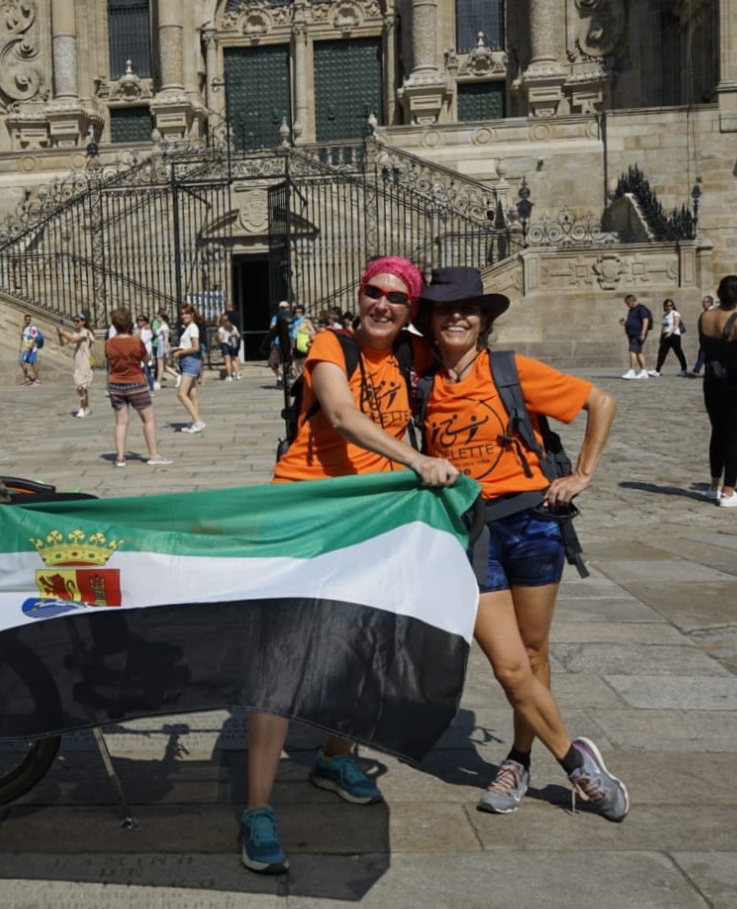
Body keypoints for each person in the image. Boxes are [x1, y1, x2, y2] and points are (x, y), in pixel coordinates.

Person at [242, 256, 461, 875]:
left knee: (360, 644)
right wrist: (415, 460)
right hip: (302, 510)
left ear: (411, 309)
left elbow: (464, 368)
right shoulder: (331, 345)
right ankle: (257, 809)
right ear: (359, 294)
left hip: (369, 519)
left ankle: (334, 757)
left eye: (397, 297)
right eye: (374, 292)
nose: (382, 304)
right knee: (281, 660)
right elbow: (339, 414)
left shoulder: (413, 356)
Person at [419, 266, 629, 823]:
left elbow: (601, 402)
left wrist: (581, 474)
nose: (458, 316)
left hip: (534, 523)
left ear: (484, 320)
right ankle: (577, 762)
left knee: (534, 655)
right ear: (431, 323)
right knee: (509, 666)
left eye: (467, 308)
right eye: (445, 309)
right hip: (473, 532)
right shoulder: (422, 382)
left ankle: (517, 758)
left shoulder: (513, 371)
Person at [698, 274, 737, 507]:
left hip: (712, 380)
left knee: (718, 432)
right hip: (735, 380)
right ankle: (729, 490)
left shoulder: (705, 316)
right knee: (736, 434)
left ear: (718, 292)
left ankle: (714, 485)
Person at [103, 307, 170, 467]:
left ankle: (120, 457)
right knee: (148, 419)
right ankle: (153, 454)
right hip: (135, 382)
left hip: (115, 383)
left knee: (121, 422)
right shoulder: (135, 341)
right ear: (129, 323)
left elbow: (110, 360)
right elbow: (146, 360)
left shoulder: (109, 343)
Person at [173, 304, 205, 433]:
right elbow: (188, 345)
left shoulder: (192, 328)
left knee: (181, 394)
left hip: (190, 362)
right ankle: (195, 422)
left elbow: (195, 347)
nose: (184, 316)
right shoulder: (189, 328)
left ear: (192, 314)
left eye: (186, 313)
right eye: (182, 314)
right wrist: (178, 349)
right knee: (192, 394)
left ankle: (198, 421)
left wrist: (180, 353)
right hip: (189, 361)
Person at [56, 313, 95, 418]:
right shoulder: (75, 333)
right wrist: (60, 334)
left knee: (81, 386)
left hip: (85, 362)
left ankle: (82, 408)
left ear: (83, 322)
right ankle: (86, 407)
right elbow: (62, 343)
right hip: (78, 362)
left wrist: (63, 332)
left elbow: (74, 340)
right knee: (81, 387)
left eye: (78, 321)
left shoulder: (86, 332)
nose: (76, 323)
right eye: (75, 321)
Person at [654, 298, 689, 377]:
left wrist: (670, 333)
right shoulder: (665, 315)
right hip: (665, 335)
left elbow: (676, 324)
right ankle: (657, 370)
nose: (669, 307)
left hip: (674, 335)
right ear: (665, 306)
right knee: (662, 353)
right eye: (667, 305)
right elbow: (663, 327)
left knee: (678, 352)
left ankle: (684, 369)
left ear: (673, 306)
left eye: (671, 305)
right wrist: (661, 337)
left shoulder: (675, 313)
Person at [620, 294, 653, 379]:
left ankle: (632, 371)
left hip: (638, 334)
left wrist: (643, 333)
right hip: (632, 334)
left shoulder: (641, 309)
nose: (627, 305)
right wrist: (625, 323)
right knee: (638, 352)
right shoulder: (632, 310)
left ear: (632, 301)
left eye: (627, 303)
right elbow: (634, 321)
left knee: (632, 351)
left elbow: (645, 320)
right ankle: (644, 372)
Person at [267, 302, 293, 387]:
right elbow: (272, 328)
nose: (283, 309)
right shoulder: (276, 317)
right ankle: (279, 376)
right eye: (282, 308)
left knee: (288, 362)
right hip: (277, 342)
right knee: (272, 362)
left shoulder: (291, 318)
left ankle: (286, 379)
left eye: (285, 308)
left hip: (289, 342)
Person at [691, 295, 715, 376]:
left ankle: (696, 369)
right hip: (704, 338)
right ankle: (707, 371)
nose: (703, 304)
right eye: (703, 302)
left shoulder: (712, 312)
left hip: (709, 338)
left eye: (705, 302)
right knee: (706, 355)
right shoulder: (705, 312)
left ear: (710, 303)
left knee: (703, 353)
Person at [216, 314, 242, 381]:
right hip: (233, 345)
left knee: (227, 361)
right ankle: (237, 375)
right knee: (234, 360)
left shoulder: (221, 328)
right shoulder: (233, 327)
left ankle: (229, 376)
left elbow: (221, 338)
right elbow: (238, 336)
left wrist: (219, 338)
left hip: (225, 345)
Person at [19, 313, 42, 386]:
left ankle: (37, 379)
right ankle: (27, 378)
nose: (28, 321)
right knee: (21, 362)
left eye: (29, 320)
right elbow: (24, 337)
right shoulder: (24, 327)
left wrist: (31, 346)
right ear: (24, 320)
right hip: (26, 348)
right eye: (27, 320)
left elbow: (35, 337)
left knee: (33, 364)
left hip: (32, 349)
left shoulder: (33, 328)